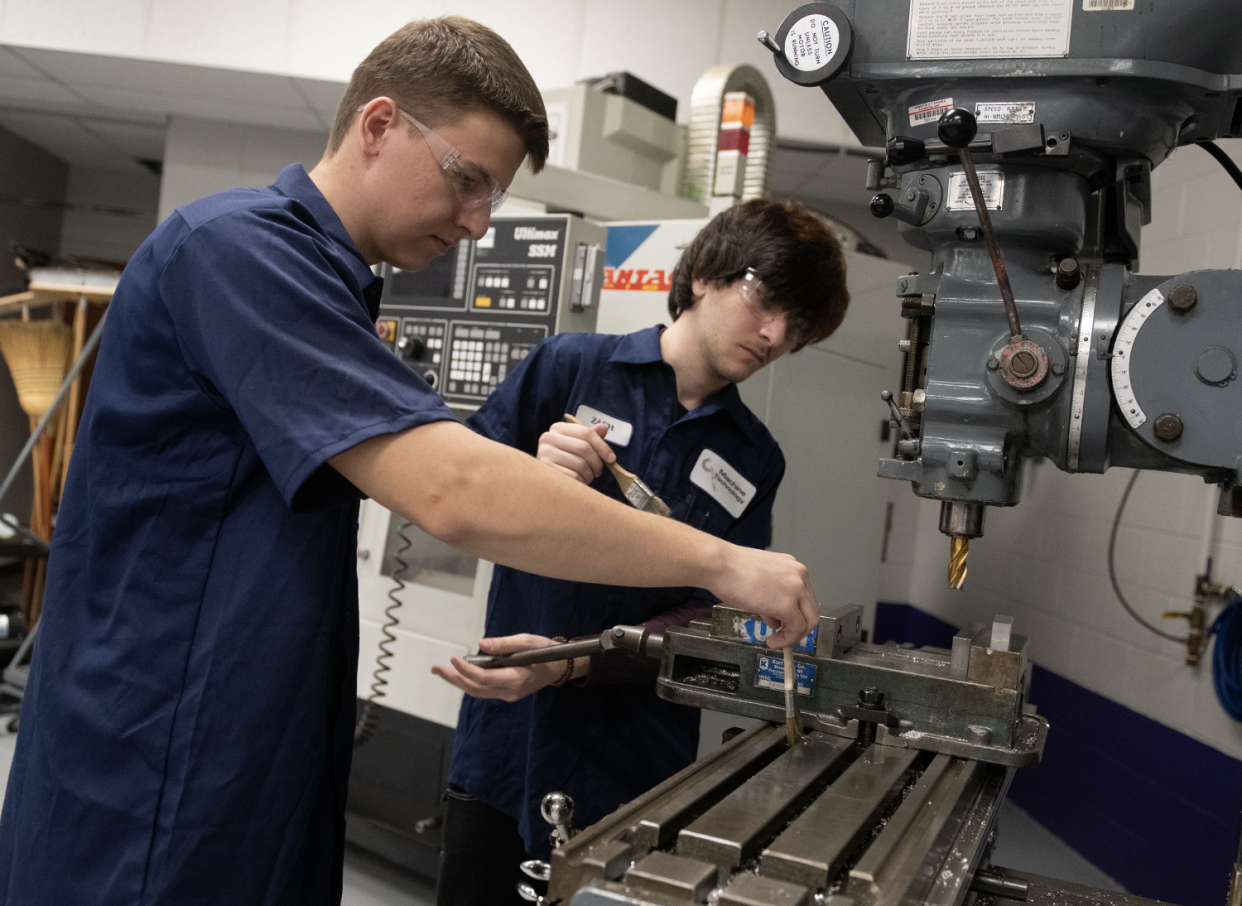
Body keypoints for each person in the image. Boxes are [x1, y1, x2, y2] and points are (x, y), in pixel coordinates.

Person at [0, 19, 822, 906]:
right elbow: (455, 488)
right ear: (379, 124)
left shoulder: (334, 284)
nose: (475, 222)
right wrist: (727, 561)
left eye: (494, 198)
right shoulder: (238, 251)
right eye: (467, 179)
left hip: (247, 735)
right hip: (156, 750)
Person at [432, 199, 850, 906]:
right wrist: (531, 469)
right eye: (767, 300)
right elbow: (455, 488)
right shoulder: (570, 367)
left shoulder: (754, 458)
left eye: (799, 328)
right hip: (511, 739)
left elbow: (712, 614)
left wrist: (576, 660)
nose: (776, 334)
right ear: (704, 277)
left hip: (636, 759)